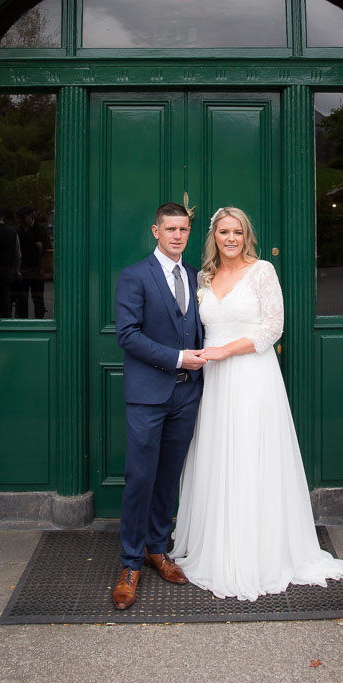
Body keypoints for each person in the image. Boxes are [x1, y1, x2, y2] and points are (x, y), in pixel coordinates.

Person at [172, 206, 343, 601]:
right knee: (220, 456)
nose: (231, 238)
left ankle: (260, 552)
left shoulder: (262, 272)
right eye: (224, 232)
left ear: (247, 235)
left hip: (252, 375)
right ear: (214, 237)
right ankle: (220, 545)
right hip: (215, 382)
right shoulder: (203, 276)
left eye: (238, 231)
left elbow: (273, 327)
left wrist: (222, 352)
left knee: (252, 454)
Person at [112, 202, 206, 610]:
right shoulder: (134, 276)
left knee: (168, 478)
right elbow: (128, 336)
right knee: (140, 478)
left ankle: (156, 549)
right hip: (148, 396)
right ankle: (130, 563)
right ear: (155, 231)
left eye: (183, 229)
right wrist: (178, 358)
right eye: (170, 229)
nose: (177, 236)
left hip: (187, 395)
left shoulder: (195, 276)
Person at [15, 205, 52, 319]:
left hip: (37, 271)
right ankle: (23, 322)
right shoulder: (18, 231)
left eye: (23, 218)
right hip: (24, 271)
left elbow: (48, 250)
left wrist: (45, 269)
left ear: (31, 216)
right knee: (22, 301)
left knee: (38, 300)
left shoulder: (40, 230)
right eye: (20, 218)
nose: (22, 221)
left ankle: (39, 322)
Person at [0, 206, 21, 318]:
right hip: (6, 273)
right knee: (5, 300)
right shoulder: (12, 233)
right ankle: (4, 321)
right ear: (3, 217)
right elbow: (18, 255)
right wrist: (17, 271)